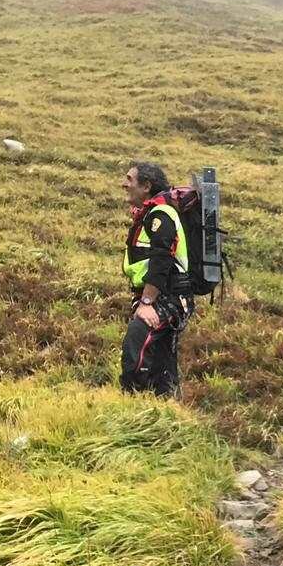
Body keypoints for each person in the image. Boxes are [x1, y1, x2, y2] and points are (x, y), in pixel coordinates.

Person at [120, 161, 191, 397]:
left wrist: (147, 303)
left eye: (130, 179)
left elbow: (162, 258)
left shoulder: (160, 215)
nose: (124, 184)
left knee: (136, 344)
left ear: (146, 186)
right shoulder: (148, 215)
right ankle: (166, 408)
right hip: (163, 295)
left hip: (167, 296)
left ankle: (133, 401)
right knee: (162, 360)